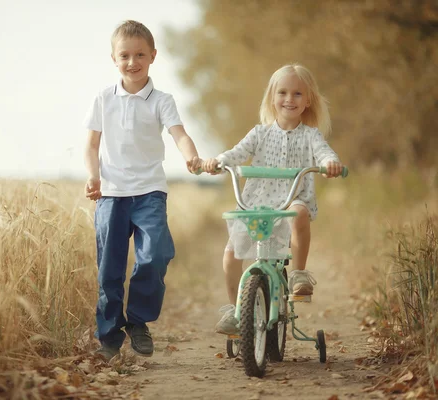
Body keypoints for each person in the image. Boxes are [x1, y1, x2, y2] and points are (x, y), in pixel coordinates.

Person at [83, 20, 201, 361]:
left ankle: (137, 322)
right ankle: (108, 336)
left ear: (152, 56)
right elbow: (91, 145)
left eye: (139, 55)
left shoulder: (162, 100)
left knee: (156, 254)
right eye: (125, 55)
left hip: (149, 191)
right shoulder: (103, 99)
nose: (132, 61)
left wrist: (191, 156)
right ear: (113, 58)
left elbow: (179, 134)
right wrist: (93, 176)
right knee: (109, 267)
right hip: (111, 194)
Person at [200, 64, 344, 335]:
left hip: (292, 200)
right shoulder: (260, 133)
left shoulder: (310, 136)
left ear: (308, 100)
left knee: (299, 213)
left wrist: (330, 163)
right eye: (283, 93)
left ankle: (299, 274)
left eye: (298, 94)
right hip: (257, 203)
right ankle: (236, 310)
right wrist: (217, 162)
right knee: (231, 253)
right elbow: (236, 153)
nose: (290, 99)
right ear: (272, 98)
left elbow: (325, 153)